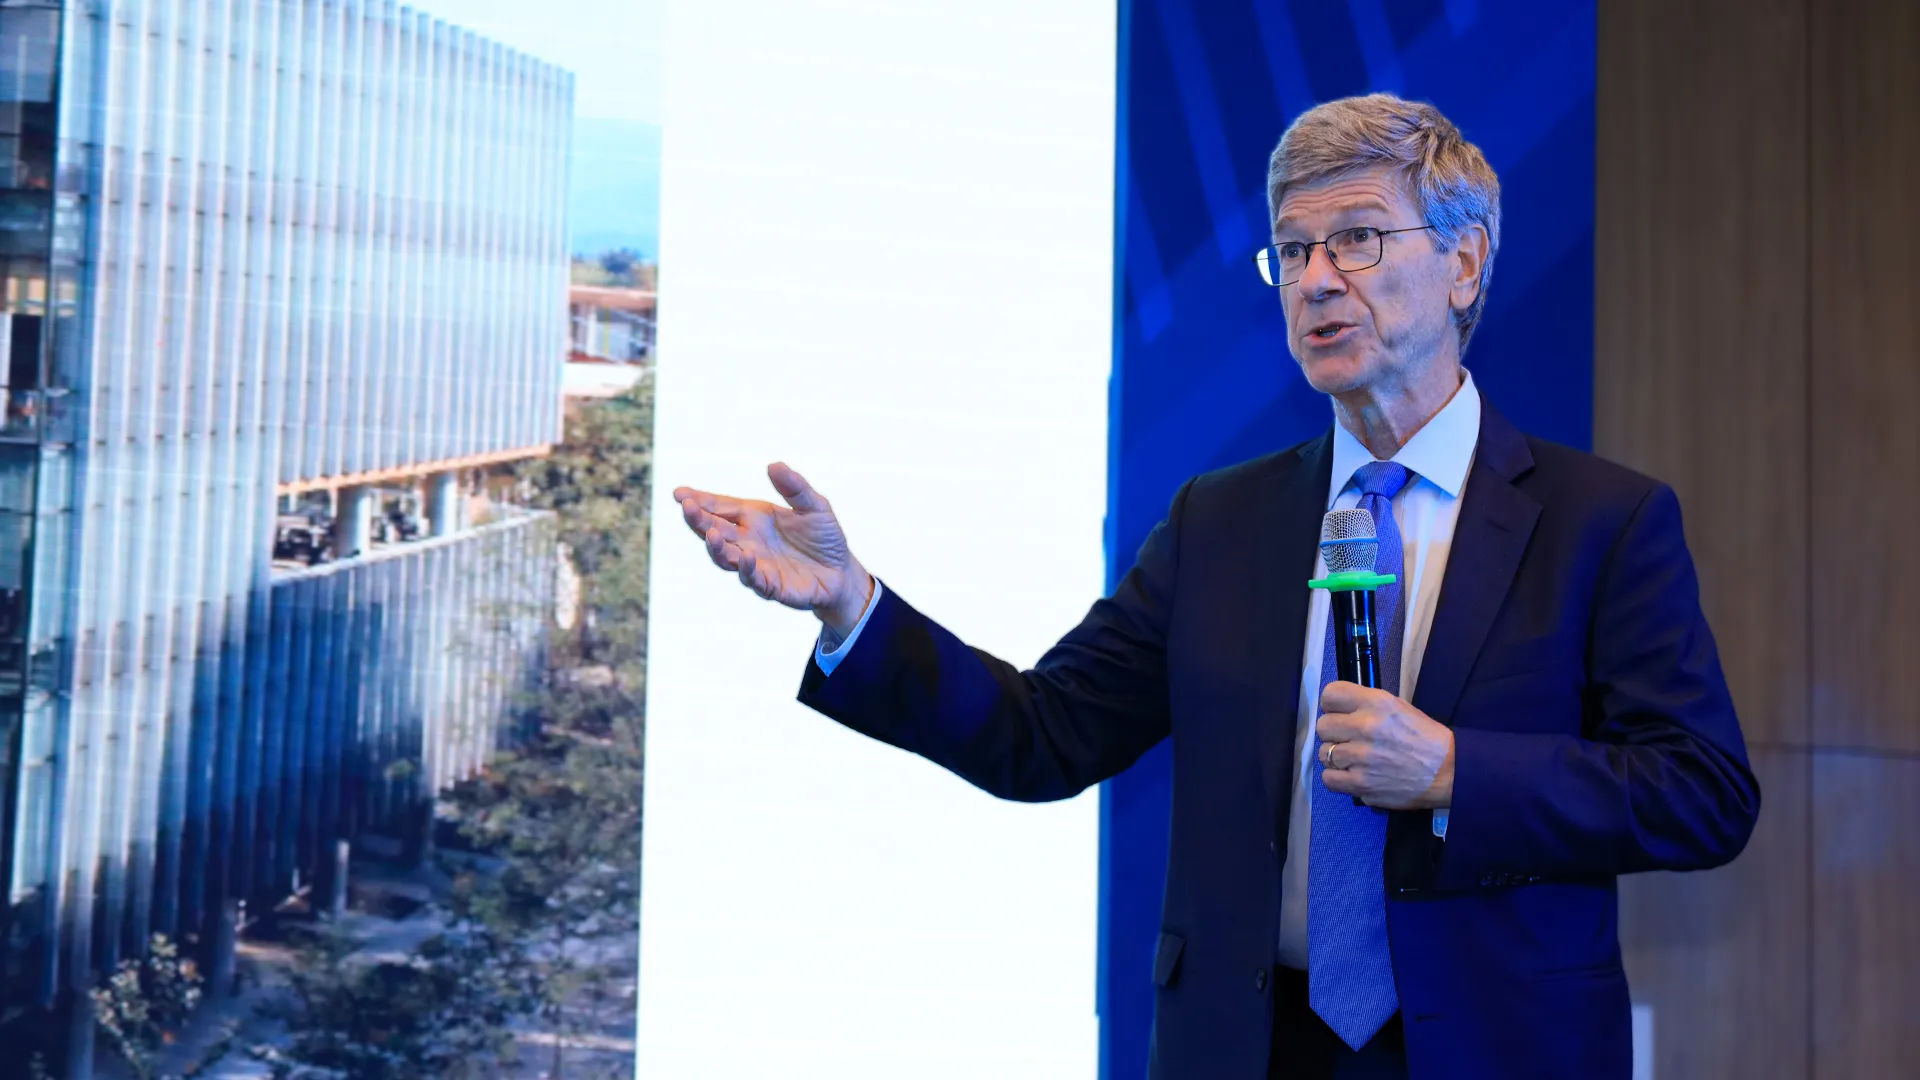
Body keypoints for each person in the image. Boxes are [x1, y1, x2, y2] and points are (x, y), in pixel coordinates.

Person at [672, 93, 1758, 1080]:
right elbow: (1043, 735)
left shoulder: (1600, 521)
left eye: (1358, 240)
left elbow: (1702, 792)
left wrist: (1455, 771)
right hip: (1244, 1049)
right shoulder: (1221, 521)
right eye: (1292, 250)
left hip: (1494, 1047)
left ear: (1464, 264)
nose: (1317, 278)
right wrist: (851, 606)